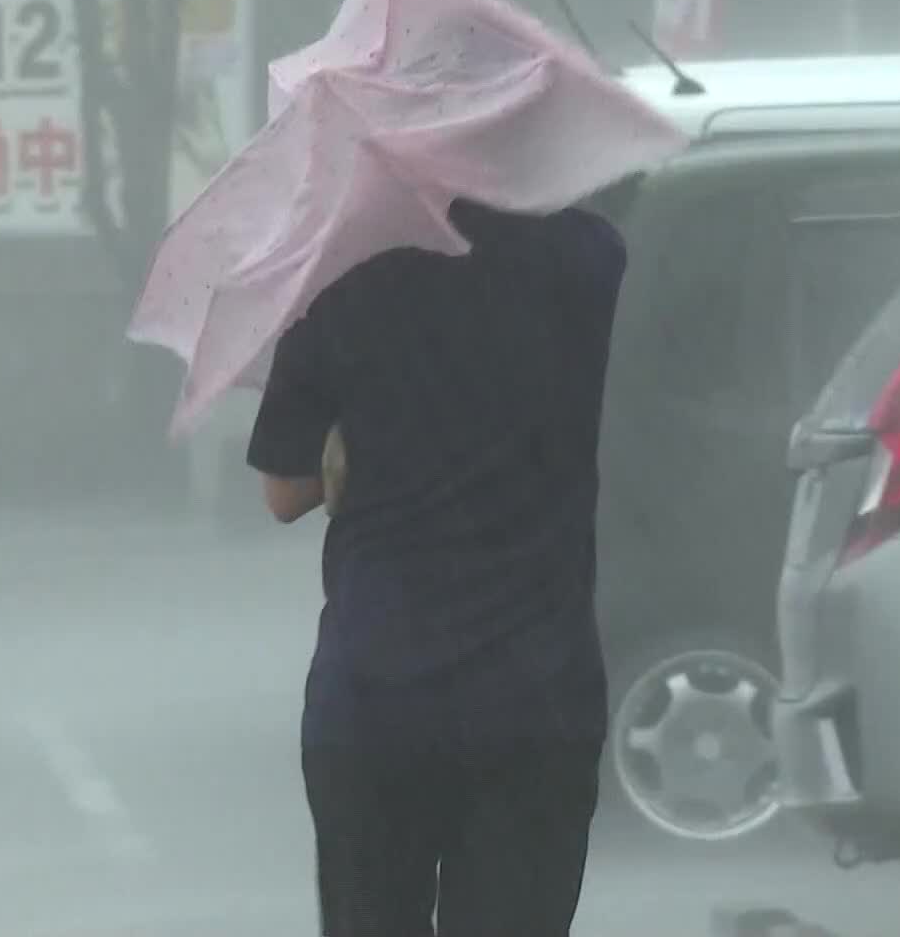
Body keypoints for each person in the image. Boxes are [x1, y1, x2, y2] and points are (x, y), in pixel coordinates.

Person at [247, 197, 626, 936]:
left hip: (375, 698)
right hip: (537, 695)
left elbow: (284, 492)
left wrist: (347, 443)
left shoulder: (342, 269)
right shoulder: (588, 256)